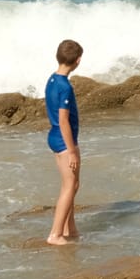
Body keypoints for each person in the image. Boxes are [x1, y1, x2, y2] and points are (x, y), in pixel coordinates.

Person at [45, 39, 83, 245]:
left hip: (53, 137)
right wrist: (73, 150)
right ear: (78, 61)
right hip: (63, 140)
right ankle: (55, 234)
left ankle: (70, 228)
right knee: (71, 185)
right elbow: (63, 120)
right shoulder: (65, 87)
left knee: (70, 185)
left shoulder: (52, 79)